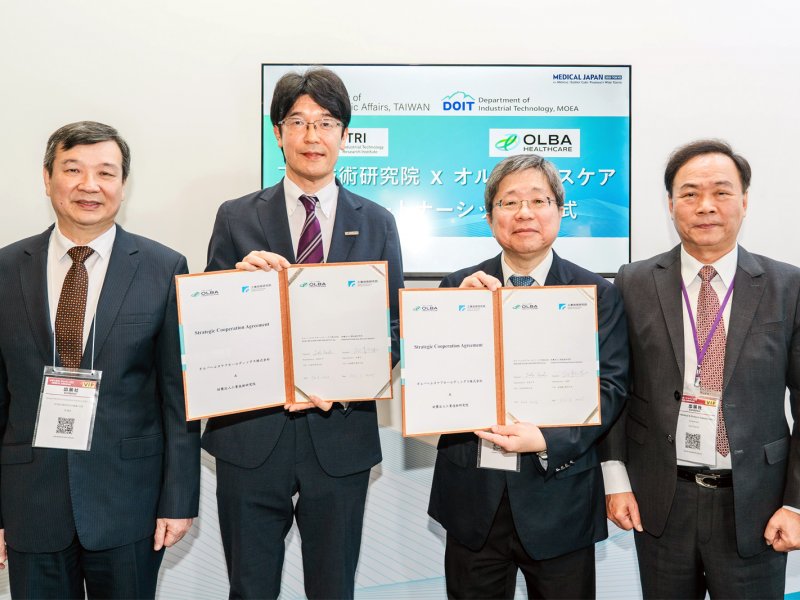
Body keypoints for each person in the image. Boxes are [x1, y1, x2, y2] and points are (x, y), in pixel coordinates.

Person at [202, 67, 403, 599]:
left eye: (326, 122)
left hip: (339, 436)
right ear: (278, 133)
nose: (312, 135)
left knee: (333, 587)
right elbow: (209, 327)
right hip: (251, 434)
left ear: (344, 135)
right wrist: (236, 283)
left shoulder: (377, 221)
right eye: (298, 121)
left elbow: (394, 327)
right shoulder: (235, 217)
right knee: (249, 589)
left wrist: (350, 379)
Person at [0, 121, 200, 598]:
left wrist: (178, 500)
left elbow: (178, 398)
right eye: (73, 170)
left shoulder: (163, 268)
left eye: (106, 173)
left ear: (123, 185)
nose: (90, 185)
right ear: (47, 178)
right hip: (30, 502)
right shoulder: (5, 270)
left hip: (129, 502)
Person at [600, 139, 800, 598]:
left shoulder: (788, 286)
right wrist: (615, 478)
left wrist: (796, 504)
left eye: (721, 192)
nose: (705, 205)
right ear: (671, 205)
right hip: (661, 499)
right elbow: (615, 387)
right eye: (689, 193)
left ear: (744, 202)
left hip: (757, 503)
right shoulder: (633, 281)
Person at [427, 154, 628, 599]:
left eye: (538, 200)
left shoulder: (598, 293)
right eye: (509, 202)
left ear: (560, 210)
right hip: (474, 501)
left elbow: (611, 389)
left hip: (560, 499)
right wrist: (455, 314)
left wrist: (546, 439)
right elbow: (433, 382)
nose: (524, 213)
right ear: (489, 216)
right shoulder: (458, 287)